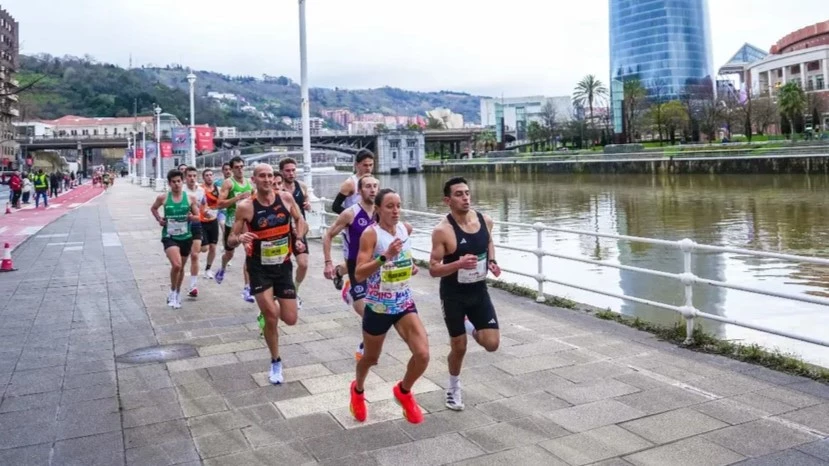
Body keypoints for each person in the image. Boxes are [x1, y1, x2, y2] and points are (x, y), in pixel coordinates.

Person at [349, 188, 428, 424]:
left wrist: (409, 266)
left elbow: (404, 258)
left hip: (403, 302)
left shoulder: (405, 229)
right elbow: (359, 273)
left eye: (398, 206)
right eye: (390, 206)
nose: (395, 211)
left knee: (423, 355)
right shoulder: (370, 235)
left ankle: (403, 391)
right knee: (371, 358)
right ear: (379, 209)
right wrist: (385, 257)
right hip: (379, 307)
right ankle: (358, 390)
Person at [228, 164, 307, 384]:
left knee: (290, 319)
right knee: (272, 316)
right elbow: (230, 239)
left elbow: (300, 220)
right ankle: (275, 361)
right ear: (253, 179)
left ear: (274, 178)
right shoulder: (246, 207)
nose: (266, 179)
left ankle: (270, 309)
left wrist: (298, 238)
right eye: (262, 176)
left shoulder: (286, 199)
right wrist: (239, 239)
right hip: (259, 268)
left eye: (270, 175)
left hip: (282, 266)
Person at [428, 177, 501, 411]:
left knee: (492, 344)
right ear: (447, 200)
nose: (466, 198)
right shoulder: (442, 231)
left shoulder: (485, 220)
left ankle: (470, 326)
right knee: (459, 348)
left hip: (479, 291)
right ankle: (453, 388)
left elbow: (488, 241)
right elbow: (433, 269)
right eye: (459, 194)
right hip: (453, 295)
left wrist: (492, 261)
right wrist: (458, 264)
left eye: (467, 193)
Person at [323, 175, 379, 361]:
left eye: (375, 186)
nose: (372, 190)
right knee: (367, 312)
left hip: (377, 265)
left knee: (381, 312)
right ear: (359, 191)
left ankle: (348, 289)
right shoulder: (350, 213)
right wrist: (328, 262)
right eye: (368, 187)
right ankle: (365, 345)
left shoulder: (382, 212)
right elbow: (328, 235)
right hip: (356, 266)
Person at [150, 169, 199, 309]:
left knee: (181, 267)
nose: (177, 184)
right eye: (174, 182)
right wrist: (159, 219)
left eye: (179, 181)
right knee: (176, 265)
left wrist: (191, 217)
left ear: (182, 182)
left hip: (186, 236)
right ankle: (172, 291)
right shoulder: (163, 198)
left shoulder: (190, 198)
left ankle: (177, 293)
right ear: (169, 183)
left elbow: (198, 216)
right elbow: (153, 209)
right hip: (169, 236)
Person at [330, 149, 375, 290]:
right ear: (357, 165)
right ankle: (342, 276)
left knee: (368, 259)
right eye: (365, 165)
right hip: (353, 228)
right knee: (355, 263)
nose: (368, 168)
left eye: (371, 165)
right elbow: (335, 206)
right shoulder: (350, 183)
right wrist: (351, 218)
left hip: (369, 226)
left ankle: (368, 287)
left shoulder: (372, 182)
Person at [215, 156, 255, 302]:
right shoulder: (228, 183)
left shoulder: (250, 183)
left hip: (246, 223)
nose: (240, 169)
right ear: (231, 169)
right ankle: (223, 268)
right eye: (237, 167)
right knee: (229, 254)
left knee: (249, 252)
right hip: (232, 223)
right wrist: (237, 199)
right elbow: (220, 204)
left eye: (242, 166)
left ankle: (247, 288)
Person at [279, 158, 312, 307]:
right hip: (282, 232)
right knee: (280, 267)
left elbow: (306, 199)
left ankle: (295, 290)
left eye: (293, 170)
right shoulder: (278, 189)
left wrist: (308, 203)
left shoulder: (302, 186)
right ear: (281, 172)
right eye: (288, 170)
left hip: (299, 230)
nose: (291, 173)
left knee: (303, 264)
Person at [184, 167, 206, 297]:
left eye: (194, 175)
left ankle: (193, 286)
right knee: (182, 258)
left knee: (195, 255)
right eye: (189, 176)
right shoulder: (181, 191)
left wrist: (205, 212)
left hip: (196, 224)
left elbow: (204, 206)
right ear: (185, 177)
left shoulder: (201, 191)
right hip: (183, 226)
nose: (192, 178)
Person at [199, 168, 221, 279]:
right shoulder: (200, 189)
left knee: (213, 247)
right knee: (204, 248)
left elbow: (221, 203)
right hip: (202, 221)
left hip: (213, 221)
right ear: (203, 177)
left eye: (211, 175)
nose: (209, 177)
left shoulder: (218, 189)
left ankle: (208, 269)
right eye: (206, 175)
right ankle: (193, 247)